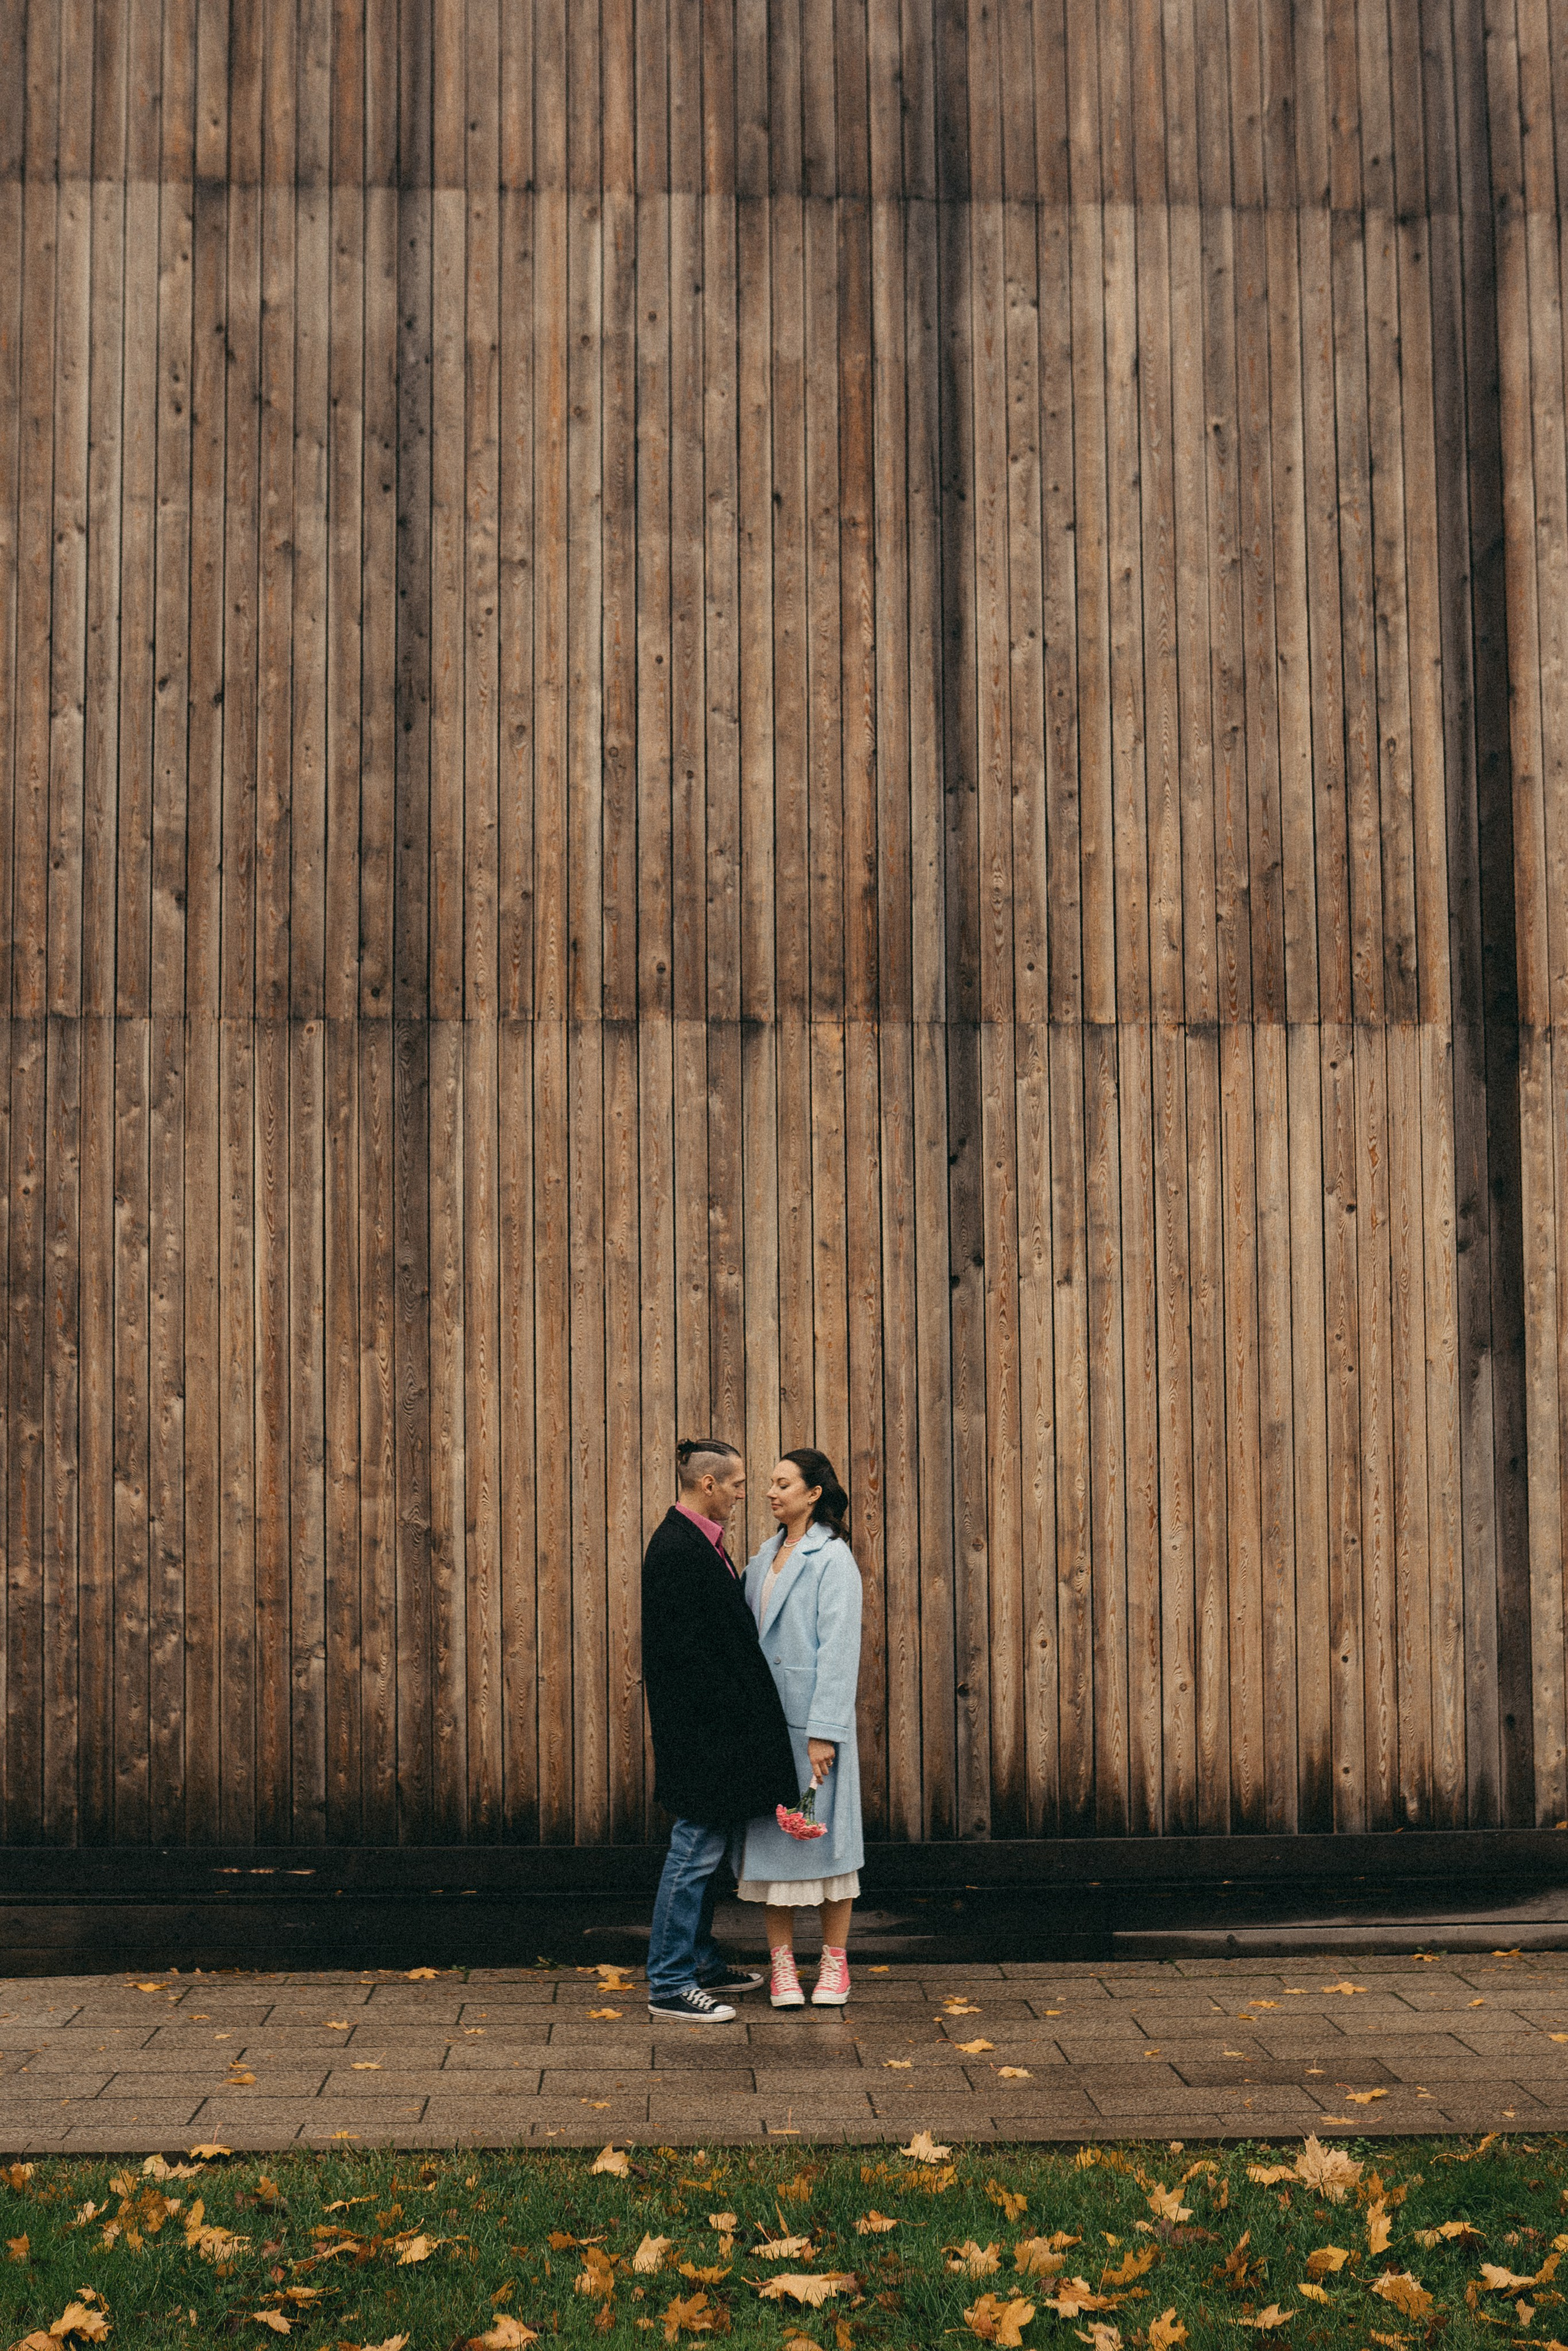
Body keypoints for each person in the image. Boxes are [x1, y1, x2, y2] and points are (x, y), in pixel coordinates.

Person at [639, 1436, 800, 2023]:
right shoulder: (679, 1549)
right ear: (708, 1485)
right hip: (702, 1736)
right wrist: (729, 1727)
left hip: (713, 1733)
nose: (743, 1493)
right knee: (694, 1851)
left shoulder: (700, 1543)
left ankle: (701, 1964)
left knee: (709, 1855)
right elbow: (687, 1659)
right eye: (735, 1484)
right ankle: (670, 1981)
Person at [734, 1448, 864, 2009]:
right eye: (769, 1483)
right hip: (766, 1724)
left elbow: (840, 1649)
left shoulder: (833, 1557)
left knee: (828, 1843)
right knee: (773, 1845)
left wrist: (824, 1731)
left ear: (813, 1493)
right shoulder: (762, 1558)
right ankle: (782, 1966)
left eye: (783, 1483)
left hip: (813, 1725)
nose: (771, 1492)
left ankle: (834, 1965)